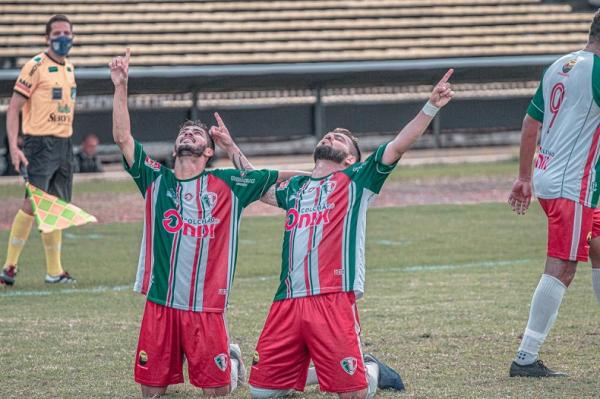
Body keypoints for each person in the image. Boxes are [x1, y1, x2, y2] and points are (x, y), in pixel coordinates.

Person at [210, 70, 454, 398]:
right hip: (288, 300)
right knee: (261, 393)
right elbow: (257, 185)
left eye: (339, 140)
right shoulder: (296, 187)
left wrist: (431, 106)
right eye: (327, 136)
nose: (329, 138)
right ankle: (321, 370)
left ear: (351, 158)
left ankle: (372, 369)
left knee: (352, 394)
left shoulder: (358, 180)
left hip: (333, 296)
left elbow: (399, 145)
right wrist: (230, 146)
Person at [110, 49, 304, 398]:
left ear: (208, 150)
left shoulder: (228, 184)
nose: (188, 135)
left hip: (206, 307)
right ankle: (223, 358)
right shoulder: (155, 179)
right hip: (161, 303)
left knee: (216, 392)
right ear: (174, 146)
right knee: (150, 392)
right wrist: (121, 86)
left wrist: (328, 177)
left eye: (197, 134)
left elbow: (268, 175)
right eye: (184, 132)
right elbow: (124, 139)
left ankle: (230, 360)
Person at [507, 10, 600, 378]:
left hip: (553, 178)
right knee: (562, 266)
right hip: (571, 185)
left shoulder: (560, 65)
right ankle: (525, 358)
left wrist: (523, 178)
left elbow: (531, 122)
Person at [1, 14, 77, 286]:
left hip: (64, 144)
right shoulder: (35, 66)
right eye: (57, 33)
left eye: (66, 32)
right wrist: (13, 146)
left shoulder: (70, 68)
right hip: (40, 144)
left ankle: (54, 272)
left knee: (55, 207)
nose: (62, 38)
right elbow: (13, 108)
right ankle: (9, 267)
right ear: (47, 37)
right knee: (32, 205)